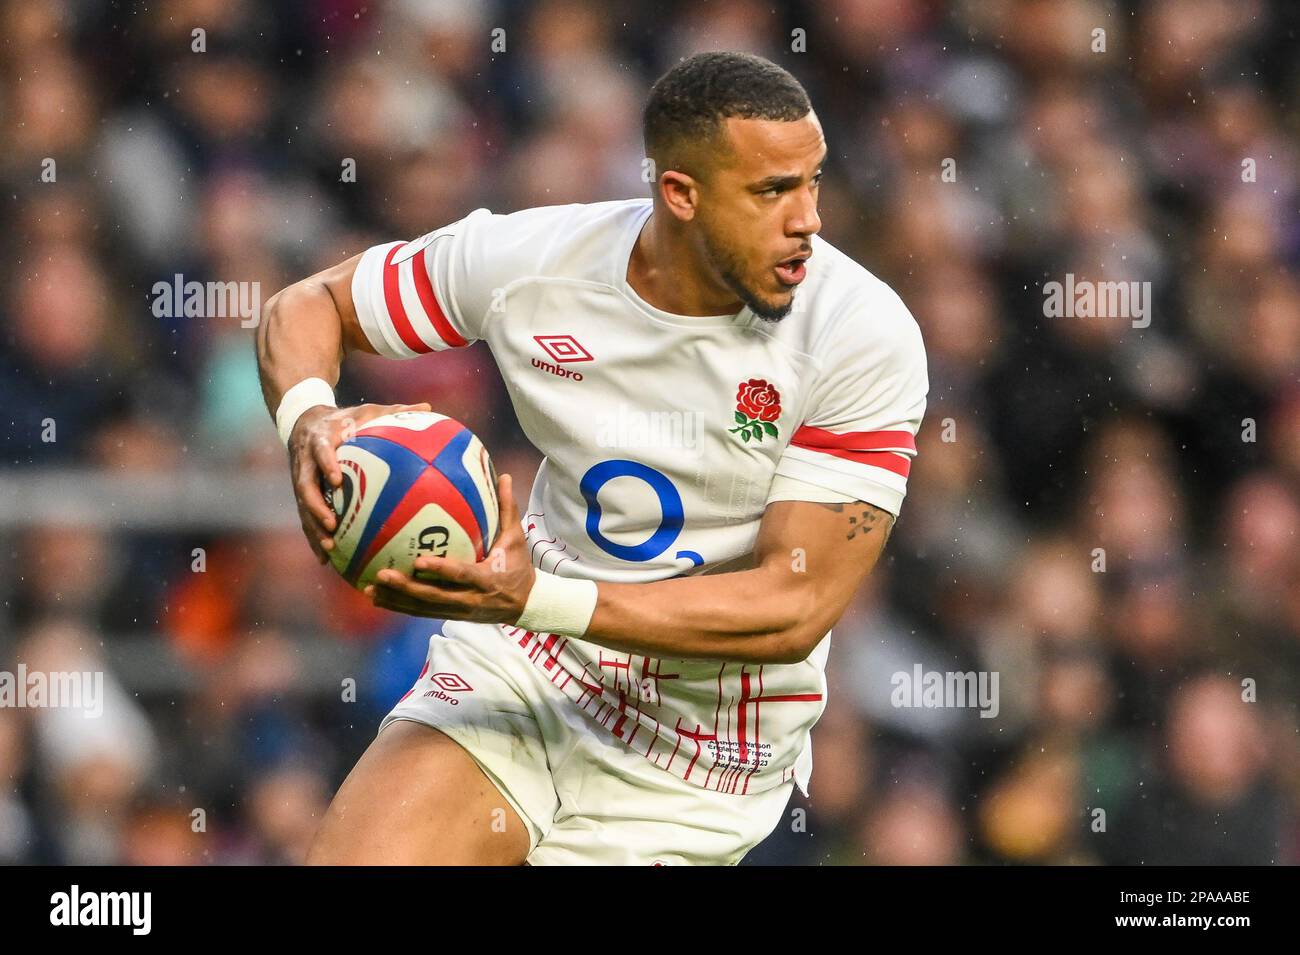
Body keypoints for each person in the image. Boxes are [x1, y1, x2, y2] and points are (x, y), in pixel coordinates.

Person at [255, 51, 928, 865]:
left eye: (812, 182)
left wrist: (537, 594)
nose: (808, 219)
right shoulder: (536, 262)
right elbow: (311, 303)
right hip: (528, 670)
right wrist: (308, 418)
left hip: (697, 760)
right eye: (771, 191)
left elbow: (796, 602)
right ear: (680, 193)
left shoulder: (859, 334)